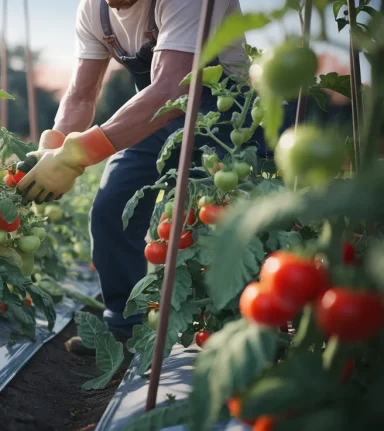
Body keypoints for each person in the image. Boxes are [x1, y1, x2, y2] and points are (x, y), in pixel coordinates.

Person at [17, 0, 254, 338]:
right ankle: (126, 329)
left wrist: (78, 153)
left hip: (228, 118)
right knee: (112, 204)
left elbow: (174, 86)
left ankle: (228, 328)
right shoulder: (94, 11)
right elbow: (82, 95)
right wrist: (53, 148)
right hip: (157, 116)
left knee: (215, 222)